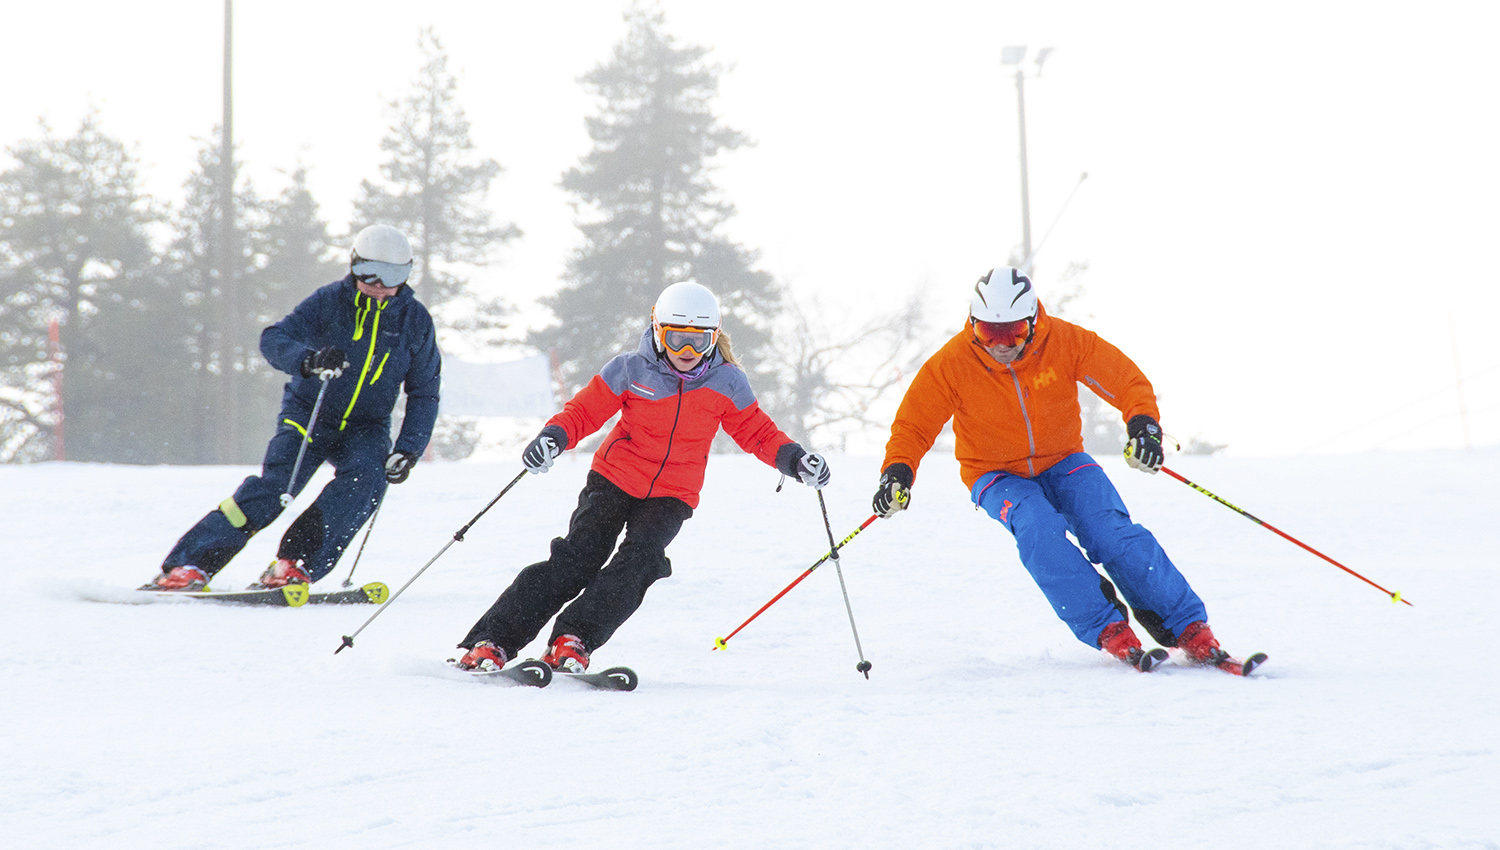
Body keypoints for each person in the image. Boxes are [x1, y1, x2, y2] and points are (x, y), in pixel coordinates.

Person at [871, 265, 1248, 671]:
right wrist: (897, 471)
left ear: (1033, 321)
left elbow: (1125, 380)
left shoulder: (1064, 341)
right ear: (973, 324)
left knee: (1110, 532)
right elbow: (914, 425)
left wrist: (1143, 426)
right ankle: (1108, 628)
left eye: (1013, 333)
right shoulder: (951, 365)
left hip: (1064, 459)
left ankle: (1188, 627)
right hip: (994, 473)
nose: (1001, 345)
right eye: (988, 333)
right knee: (1038, 527)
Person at [454, 281, 831, 673]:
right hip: (615, 478)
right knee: (577, 560)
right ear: (656, 330)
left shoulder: (727, 381)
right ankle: (493, 640)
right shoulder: (630, 369)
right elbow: (584, 412)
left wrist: (796, 461)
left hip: (673, 493)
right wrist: (553, 438)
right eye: (676, 339)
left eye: (698, 341)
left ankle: (573, 639)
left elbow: (757, 431)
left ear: (714, 338)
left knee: (641, 562)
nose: (687, 352)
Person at [144, 224, 441, 591]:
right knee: (275, 489)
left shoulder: (415, 322)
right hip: (310, 414)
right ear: (353, 267)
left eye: (392, 275)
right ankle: (188, 565)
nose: (379, 284)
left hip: (367, 426)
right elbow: (274, 338)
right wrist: (309, 360)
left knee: (367, 480)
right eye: (368, 273)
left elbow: (425, 392)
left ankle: (293, 565)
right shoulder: (329, 302)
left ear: (407, 274)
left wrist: (409, 449)